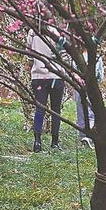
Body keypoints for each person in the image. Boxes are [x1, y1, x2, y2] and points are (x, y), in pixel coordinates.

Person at [27, 24, 67, 152]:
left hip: (38, 76)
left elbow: (29, 54)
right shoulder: (55, 32)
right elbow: (63, 53)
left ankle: (37, 142)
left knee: (40, 110)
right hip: (55, 76)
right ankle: (55, 142)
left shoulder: (32, 31)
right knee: (56, 110)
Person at [73, 49, 105, 149]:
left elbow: (72, 71)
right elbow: (100, 74)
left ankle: (83, 136)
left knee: (81, 111)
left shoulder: (76, 56)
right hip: (92, 86)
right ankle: (89, 136)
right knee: (91, 111)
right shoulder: (96, 57)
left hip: (79, 86)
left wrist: (78, 79)